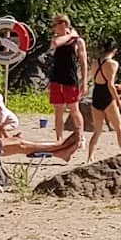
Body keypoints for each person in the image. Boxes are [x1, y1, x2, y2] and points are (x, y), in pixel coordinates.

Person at [47, 14, 88, 145]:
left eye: (55, 25)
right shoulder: (58, 39)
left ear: (63, 24)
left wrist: (84, 81)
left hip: (70, 79)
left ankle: (80, 137)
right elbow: (56, 43)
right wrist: (71, 35)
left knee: (74, 109)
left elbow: (83, 62)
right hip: (56, 79)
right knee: (58, 110)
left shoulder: (78, 42)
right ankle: (59, 139)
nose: (53, 28)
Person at [88, 42, 121, 159]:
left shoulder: (95, 62)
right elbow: (110, 85)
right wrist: (118, 100)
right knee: (119, 129)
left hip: (96, 94)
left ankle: (90, 156)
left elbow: (99, 80)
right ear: (115, 50)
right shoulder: (113, 64)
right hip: (107, 97)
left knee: (97, 131)